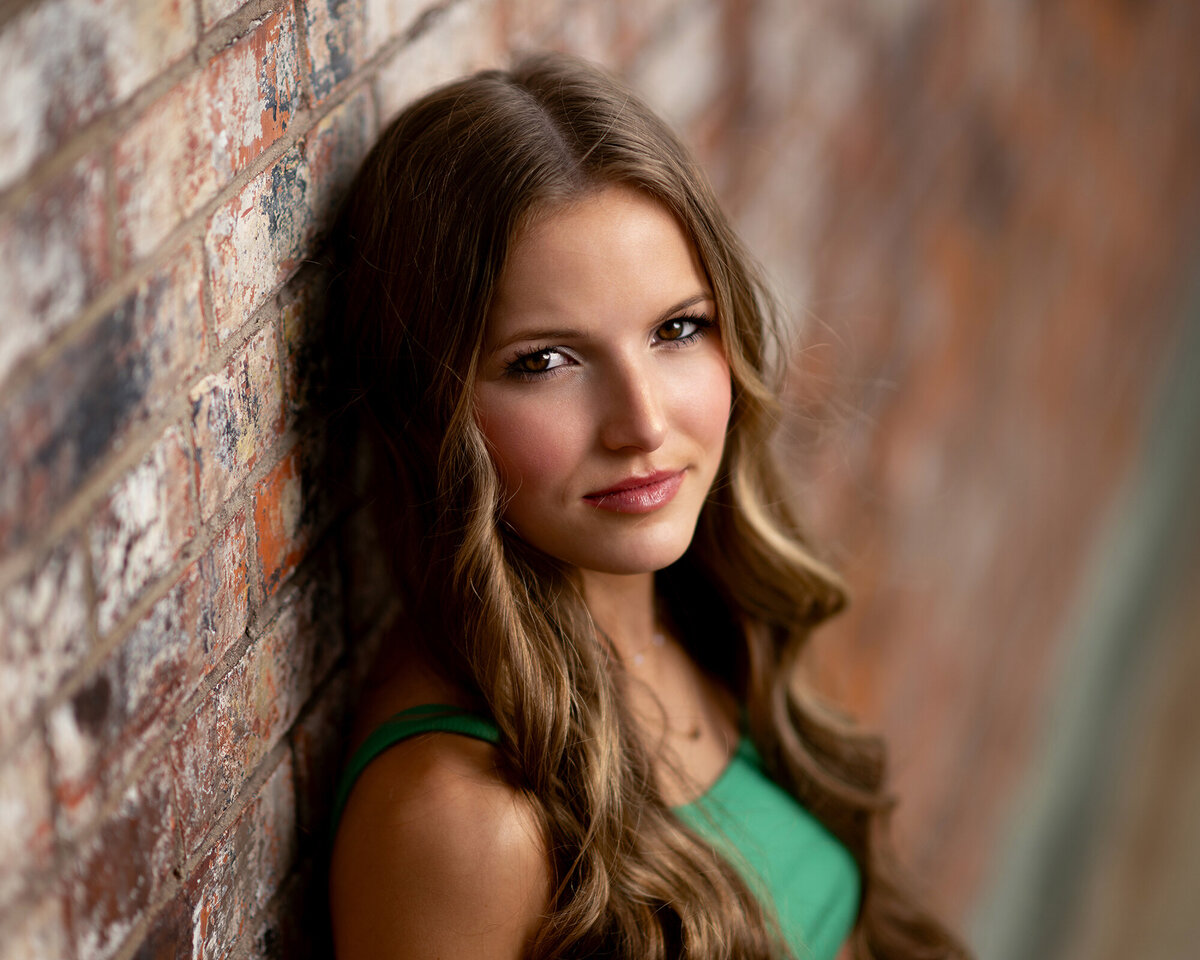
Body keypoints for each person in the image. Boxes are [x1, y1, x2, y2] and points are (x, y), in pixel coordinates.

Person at [323, 53, 969, 960]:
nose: (643, 422)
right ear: (430, 407)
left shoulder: (706, 615)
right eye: (545, 361)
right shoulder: (461, 818)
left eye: (677, 329)